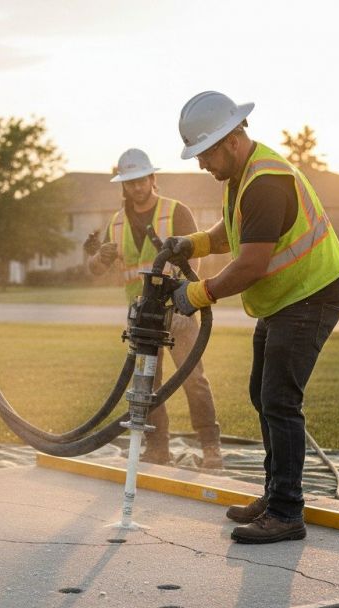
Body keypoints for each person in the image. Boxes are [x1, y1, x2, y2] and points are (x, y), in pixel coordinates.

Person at [164, 91, 339, 544]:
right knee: (262, 394)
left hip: (309, 296)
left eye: (205, 153)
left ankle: (286, 511)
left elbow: (250, 265)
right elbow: (232, 232)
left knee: (279, 400)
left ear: (231, 140)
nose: (201, 164)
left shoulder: (265, 182)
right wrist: (193, 243)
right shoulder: (242, 176)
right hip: (287, 300)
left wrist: (197, 294)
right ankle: (275, 494)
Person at [84, 147, 223, 468]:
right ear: (124, 185)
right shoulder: (116, 223)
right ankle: (158, 448)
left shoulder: (176, 211)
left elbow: (194, 260)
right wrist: (99, 258)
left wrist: (185, 299)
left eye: (142, 179)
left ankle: (210, 446)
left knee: (193, 378)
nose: (137, 186)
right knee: (148, 384)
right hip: (142, 316)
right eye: (131, 181)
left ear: (152, 178)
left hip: (177, 310)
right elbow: (96, 270)